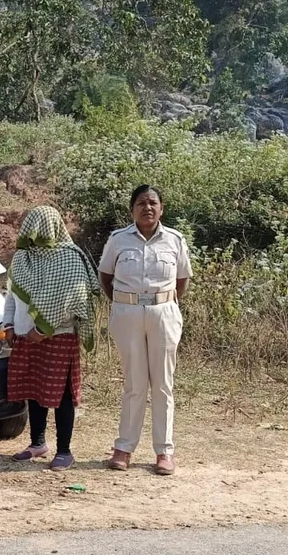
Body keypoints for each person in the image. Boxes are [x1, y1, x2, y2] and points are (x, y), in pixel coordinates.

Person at [99, 185, 192, 476]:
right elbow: (105, 276)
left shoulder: (175, 240)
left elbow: (182, 281)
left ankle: (164, 452)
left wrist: (158, 303)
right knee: (134, 383)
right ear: (132, 210)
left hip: (163, 313)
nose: (147, 208)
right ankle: (124, 448)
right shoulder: (118, 240)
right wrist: (127, 304)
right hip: (127, 315)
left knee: (163, 384)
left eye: (153, 203)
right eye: (141, 203)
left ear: (161, 209)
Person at [2, 206, 99, 471]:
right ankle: (37, 443)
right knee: (34, 391)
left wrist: (43, 329)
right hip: (24, 337)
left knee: (61, 395)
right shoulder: (21, 258)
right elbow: (11, 296)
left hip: (59, 336)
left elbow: (74, 299)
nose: (37, 233)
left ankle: (65, 451)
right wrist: (9, 325)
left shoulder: (68, 258)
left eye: (42, 226)